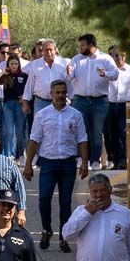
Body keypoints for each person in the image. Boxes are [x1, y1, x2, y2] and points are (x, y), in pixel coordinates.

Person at [23, 80, 89, 251]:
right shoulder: (42, 115)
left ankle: (63, 236)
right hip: (48, 163)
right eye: (57, 92)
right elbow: (34, 139)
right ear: (51, 94)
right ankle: (46, 230)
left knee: (65, 202)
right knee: (44, 198)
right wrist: (28, 164)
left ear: (67, 94)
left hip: (68, 163)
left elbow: (82, 139)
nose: (60, 95)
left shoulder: (75, 115)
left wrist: (84, 162)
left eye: (63, 92)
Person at [67, 34, 120, 172]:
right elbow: (70, 76)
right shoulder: (76, 59)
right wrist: (68, 73)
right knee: (80, 130)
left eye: (83, 45)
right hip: (80, 100)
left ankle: (95, 160)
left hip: (99, 101)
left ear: (91, 45)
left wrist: (105, 74)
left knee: (96, 132)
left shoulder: (105, 59)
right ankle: (81, 158)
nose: (80, 48)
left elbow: (115, 74)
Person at [102, 46, 130, 170]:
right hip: (110, 105)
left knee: (124, 133)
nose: (120, 58)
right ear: (111, 56)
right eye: (116, 55)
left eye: (122, 55)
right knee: (111, 134)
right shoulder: (106, 71)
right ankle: (115, 160)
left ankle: (125, 159)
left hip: (126, 105)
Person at [21, 39, 69, 123]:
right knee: (40, 129)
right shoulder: (35, 64)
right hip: (41, 102)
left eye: (51, 50)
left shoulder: (64, 63)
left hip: (60, 102)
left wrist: (71, 99)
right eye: (46, 50)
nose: (49, 52)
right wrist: (25, 102)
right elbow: (30, 84)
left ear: (55, 50)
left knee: (60, 127)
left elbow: (69, 82)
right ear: (42, 51)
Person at [0, 56, 28, 159]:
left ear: (19, 64)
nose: (14, 66)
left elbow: (29, 89)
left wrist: (24, 97)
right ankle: (9, 154)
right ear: (8, 65)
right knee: (9, 131)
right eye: (11, 64)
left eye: (16, 64)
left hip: (20, 105)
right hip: (8, 105)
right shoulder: (5, 77)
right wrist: (2, 73)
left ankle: (21, 155)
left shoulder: (24, 76)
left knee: (20, 132)